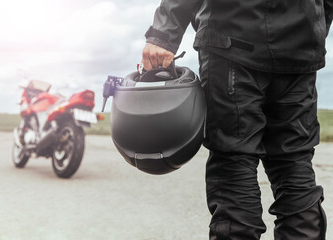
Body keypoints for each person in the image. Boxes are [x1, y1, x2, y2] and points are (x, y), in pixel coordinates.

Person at [141, 0, 332, 239]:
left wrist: (163, 34)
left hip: (232, 39)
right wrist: (312, 30)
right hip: (300, 46)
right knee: (294, 163)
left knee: (234, 162)